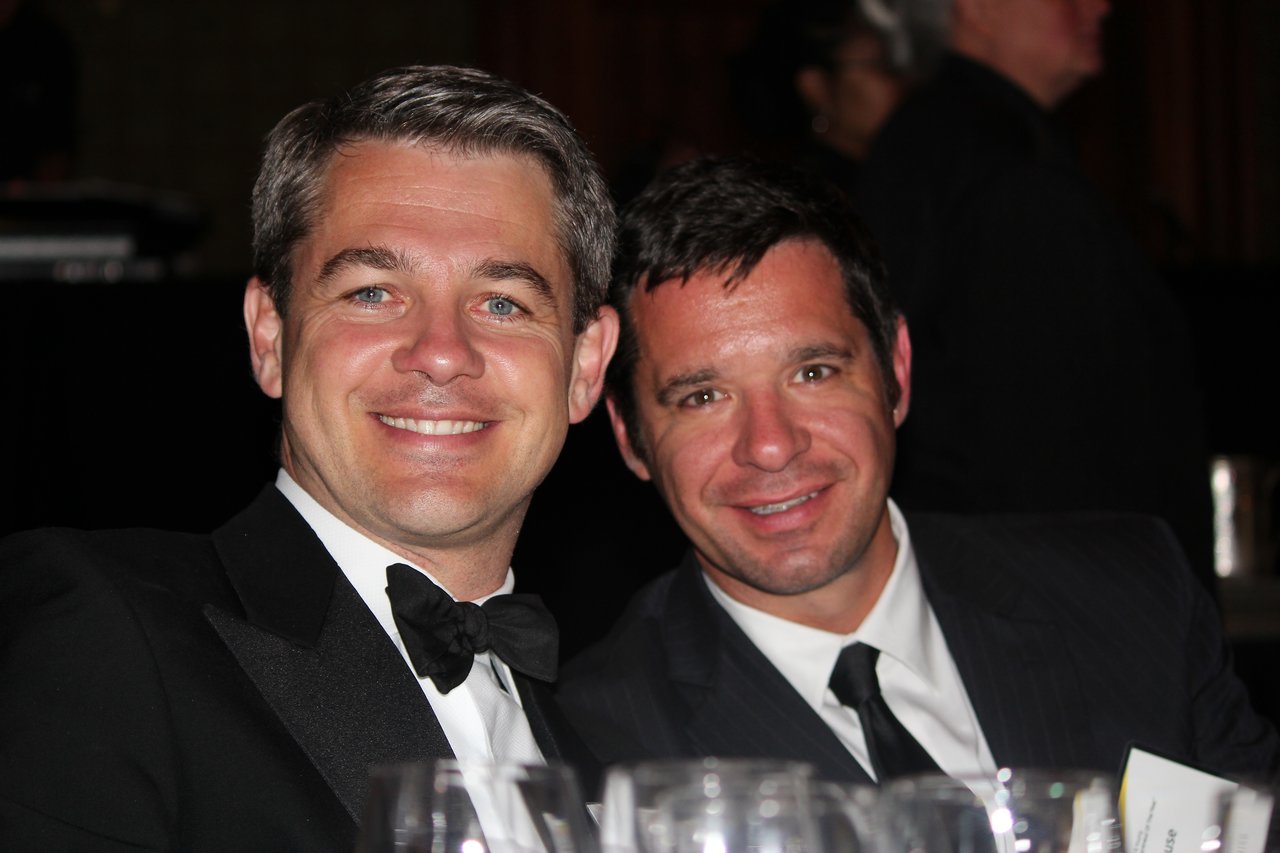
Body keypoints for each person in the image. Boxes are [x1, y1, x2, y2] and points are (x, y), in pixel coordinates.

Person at [0, 65, 619, 850]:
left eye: (503, 302)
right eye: (372, 291)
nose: (440, 353)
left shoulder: (618, 751)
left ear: (586, 366)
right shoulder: (106, 633)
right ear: (270, 335)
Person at [555, 155, 1280, 787]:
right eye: (704, 396)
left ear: (896, 371)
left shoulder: (1133, 599)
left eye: (812, 371)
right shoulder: (594, 740)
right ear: (631, 435)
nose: (770, 446)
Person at [852, 0, 1218, 593]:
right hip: (1070, 605)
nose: (1101, 5)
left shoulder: (962, 140)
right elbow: (1047, 448)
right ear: (975, 9)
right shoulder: (996, 168)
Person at [728, 0, 947, 195]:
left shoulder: (899, 172)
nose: (904, 80)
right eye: (882, 66)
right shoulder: (819, 198)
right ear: (817, 88)